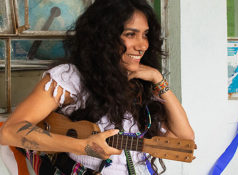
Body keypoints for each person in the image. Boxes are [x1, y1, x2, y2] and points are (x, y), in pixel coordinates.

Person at [0, 0, 194, 174]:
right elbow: (9, 131)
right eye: (130, 34)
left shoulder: (143, 82)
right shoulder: (70, 77)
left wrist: (158, 79)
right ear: (103, 37)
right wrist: (83, 146)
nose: (142, 45)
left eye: (145, 35)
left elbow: (185, 138)